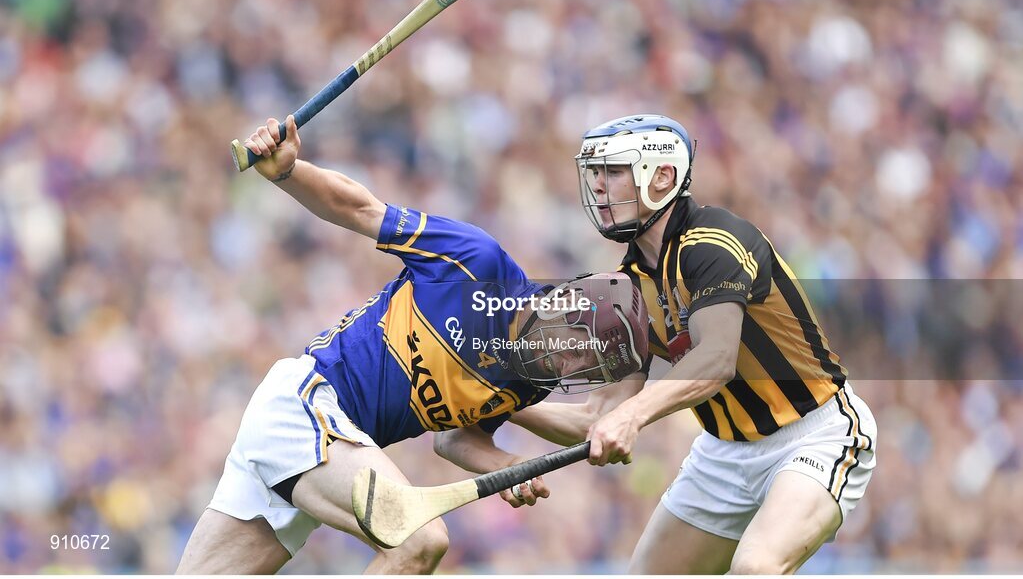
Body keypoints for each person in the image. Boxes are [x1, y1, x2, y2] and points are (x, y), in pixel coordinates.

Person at [176, 116, 649, 574]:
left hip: (331, 447)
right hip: (307, 407)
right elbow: (361, 209)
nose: (563, 364)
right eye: (574, 346)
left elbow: (455, 437)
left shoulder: (529, 380)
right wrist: (289, 173)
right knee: (421, 541)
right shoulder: (475, 262)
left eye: (580, 364)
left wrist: (508, 463)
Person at [511, 114, 877, 574]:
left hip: (816, 433)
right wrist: (503, 403)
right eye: (595, 174)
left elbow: (717, 358)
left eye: (614, 171)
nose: (599, 187)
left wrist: (634, 414)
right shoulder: (625, 289)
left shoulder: (715, 241)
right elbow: (597, 416)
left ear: (662, 176)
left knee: (756, 567)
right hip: (722, 453)